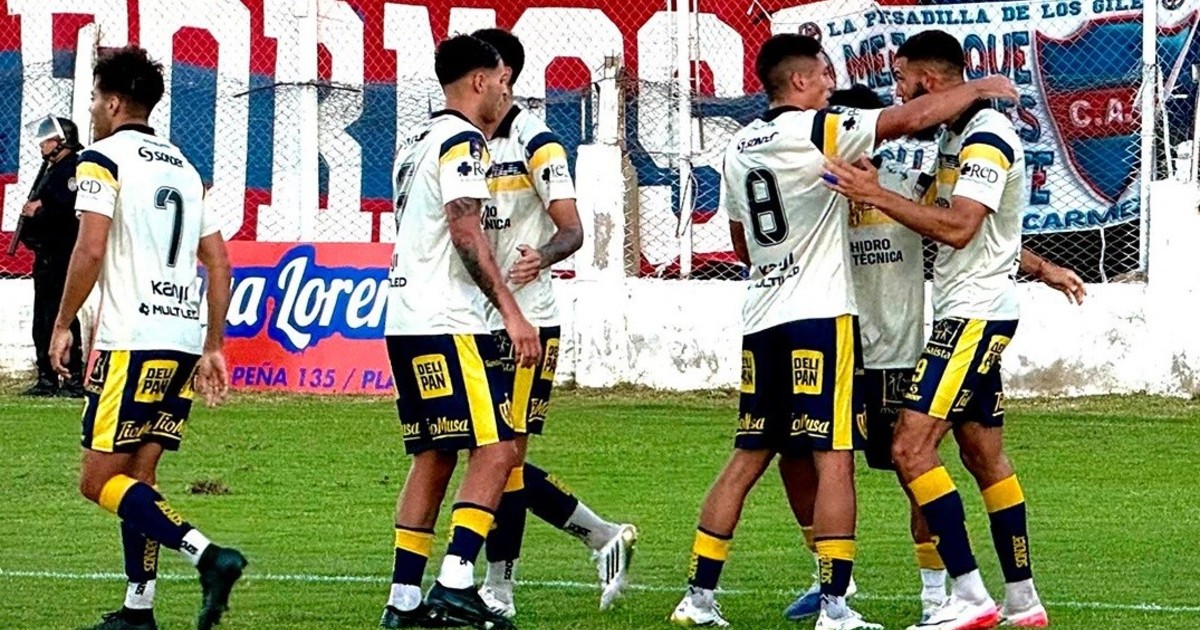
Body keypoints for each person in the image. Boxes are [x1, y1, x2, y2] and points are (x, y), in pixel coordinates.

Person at [667, 33, 1018, 630]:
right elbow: (911, 118)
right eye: (824, 74)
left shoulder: (737, 147)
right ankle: (836, 603)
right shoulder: (819, 133)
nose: (832, 84)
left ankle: (698, 597)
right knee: (835, 460)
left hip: (764, 317)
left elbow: (742, 244)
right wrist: (980, 86)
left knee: (750, 454)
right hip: (821, 322)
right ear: (800, 81)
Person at [784, 84, 1085, 624]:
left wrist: (1043, 268)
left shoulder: (905, 183)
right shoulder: (819, 192)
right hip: (846, 347)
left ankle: (944, 594)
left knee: (915, 458)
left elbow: (964, 227)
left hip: (913, 345)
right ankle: (1014, 598)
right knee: (817, 457)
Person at [48, 46, 245, 630]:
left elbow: (90, 247)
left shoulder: (101, 160)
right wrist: (213, 344)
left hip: (133, 337)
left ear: (112, 102)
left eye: (93, 98)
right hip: (181, 339)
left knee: (97, 480)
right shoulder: (184, 167)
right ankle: (139, 609)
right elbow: (219, 261)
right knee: (140, 479)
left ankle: (208, 556)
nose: (91, 108)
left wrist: (62, 323)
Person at [468, 27, 639, 620]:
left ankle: (499, 590)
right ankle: (603, 537)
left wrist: (543, 255)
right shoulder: (462, 140)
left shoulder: (536, 142)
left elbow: (573, 230)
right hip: (472, 318)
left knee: (502, 455)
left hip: (528, 323)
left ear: (502, 77)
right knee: (493, 456)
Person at [378, 34, 539, 630]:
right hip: (448, 320)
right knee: (498, 449)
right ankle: (454, 582)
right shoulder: (463, 140)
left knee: (434, 454)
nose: (505, 91)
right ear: (479, 81)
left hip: (406, 318)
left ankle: (403, 601)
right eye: (502, 80)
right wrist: (512, 312)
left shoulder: (417, 140)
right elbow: (465, 230)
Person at [18, 116, 84, 397]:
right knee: (43, 317)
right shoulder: (51, 169)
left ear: (61, 142)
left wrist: (39, 210)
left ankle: (71, 377)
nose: (42, 145)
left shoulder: (72, 170)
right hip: (46, 255)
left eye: (47, 140)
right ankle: (46, 376)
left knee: (60, 314)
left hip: (60, 254)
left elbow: (67, 210)